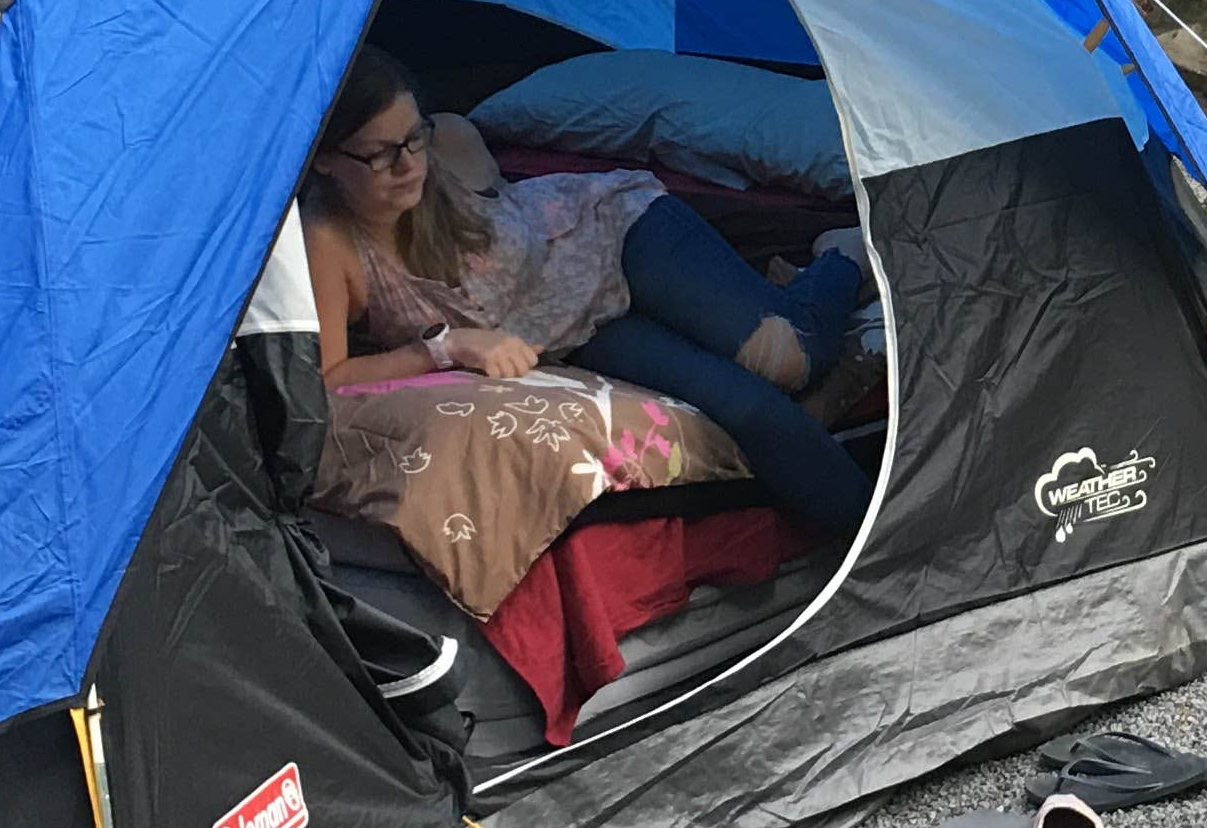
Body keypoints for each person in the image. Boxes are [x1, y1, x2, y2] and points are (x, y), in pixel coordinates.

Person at [301, 45, 878, 541]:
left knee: (791, 358)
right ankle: (875, 552)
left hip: (617, 232)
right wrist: (447, 348)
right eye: (380, 154)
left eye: (412, 139)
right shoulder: (331, 242)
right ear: (324, 159)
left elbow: (480, 145)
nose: (408, 165)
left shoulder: (449, 142)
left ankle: (841, 253)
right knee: (752, 412)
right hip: (575, 331)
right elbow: (330, 377)